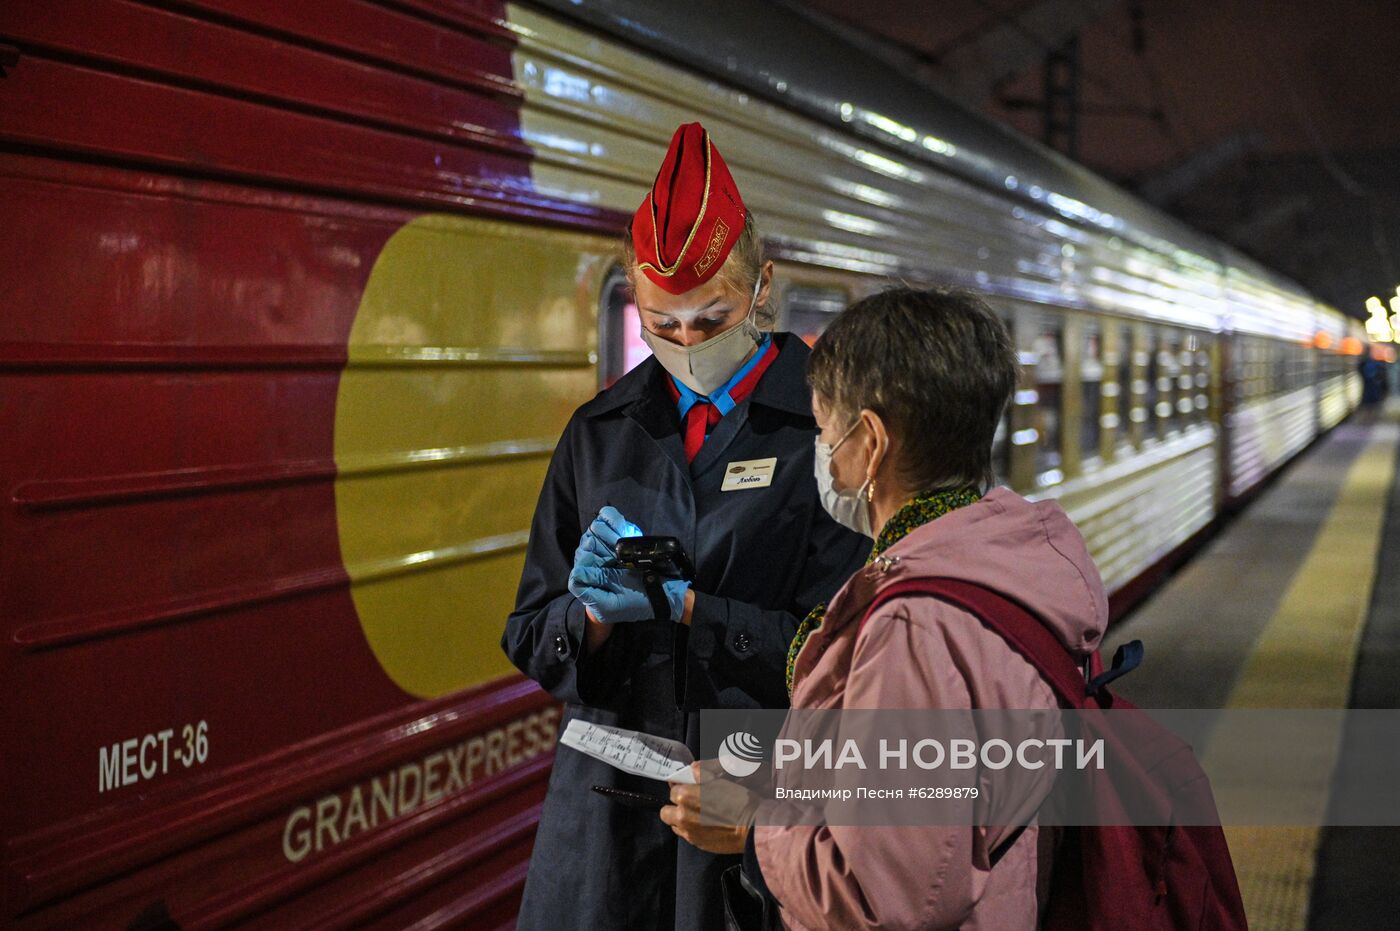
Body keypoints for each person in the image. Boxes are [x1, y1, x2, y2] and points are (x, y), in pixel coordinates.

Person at [502, 122, 870, 931]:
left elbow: (848, 657)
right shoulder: (599, 431)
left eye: (713, 318)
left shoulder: (829, 430)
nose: (687, 342)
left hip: (752, 780)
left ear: (764, 288)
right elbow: (530, 630)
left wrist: (697, 611)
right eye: (663, 323)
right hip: (604, 813)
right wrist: (591, 618)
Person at [666, 287, 1111, 929]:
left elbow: (885, 894)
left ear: (870, 443)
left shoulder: (915, 623)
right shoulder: (1005, 562)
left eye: (823, 431)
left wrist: (752, 826)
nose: (820, 454)